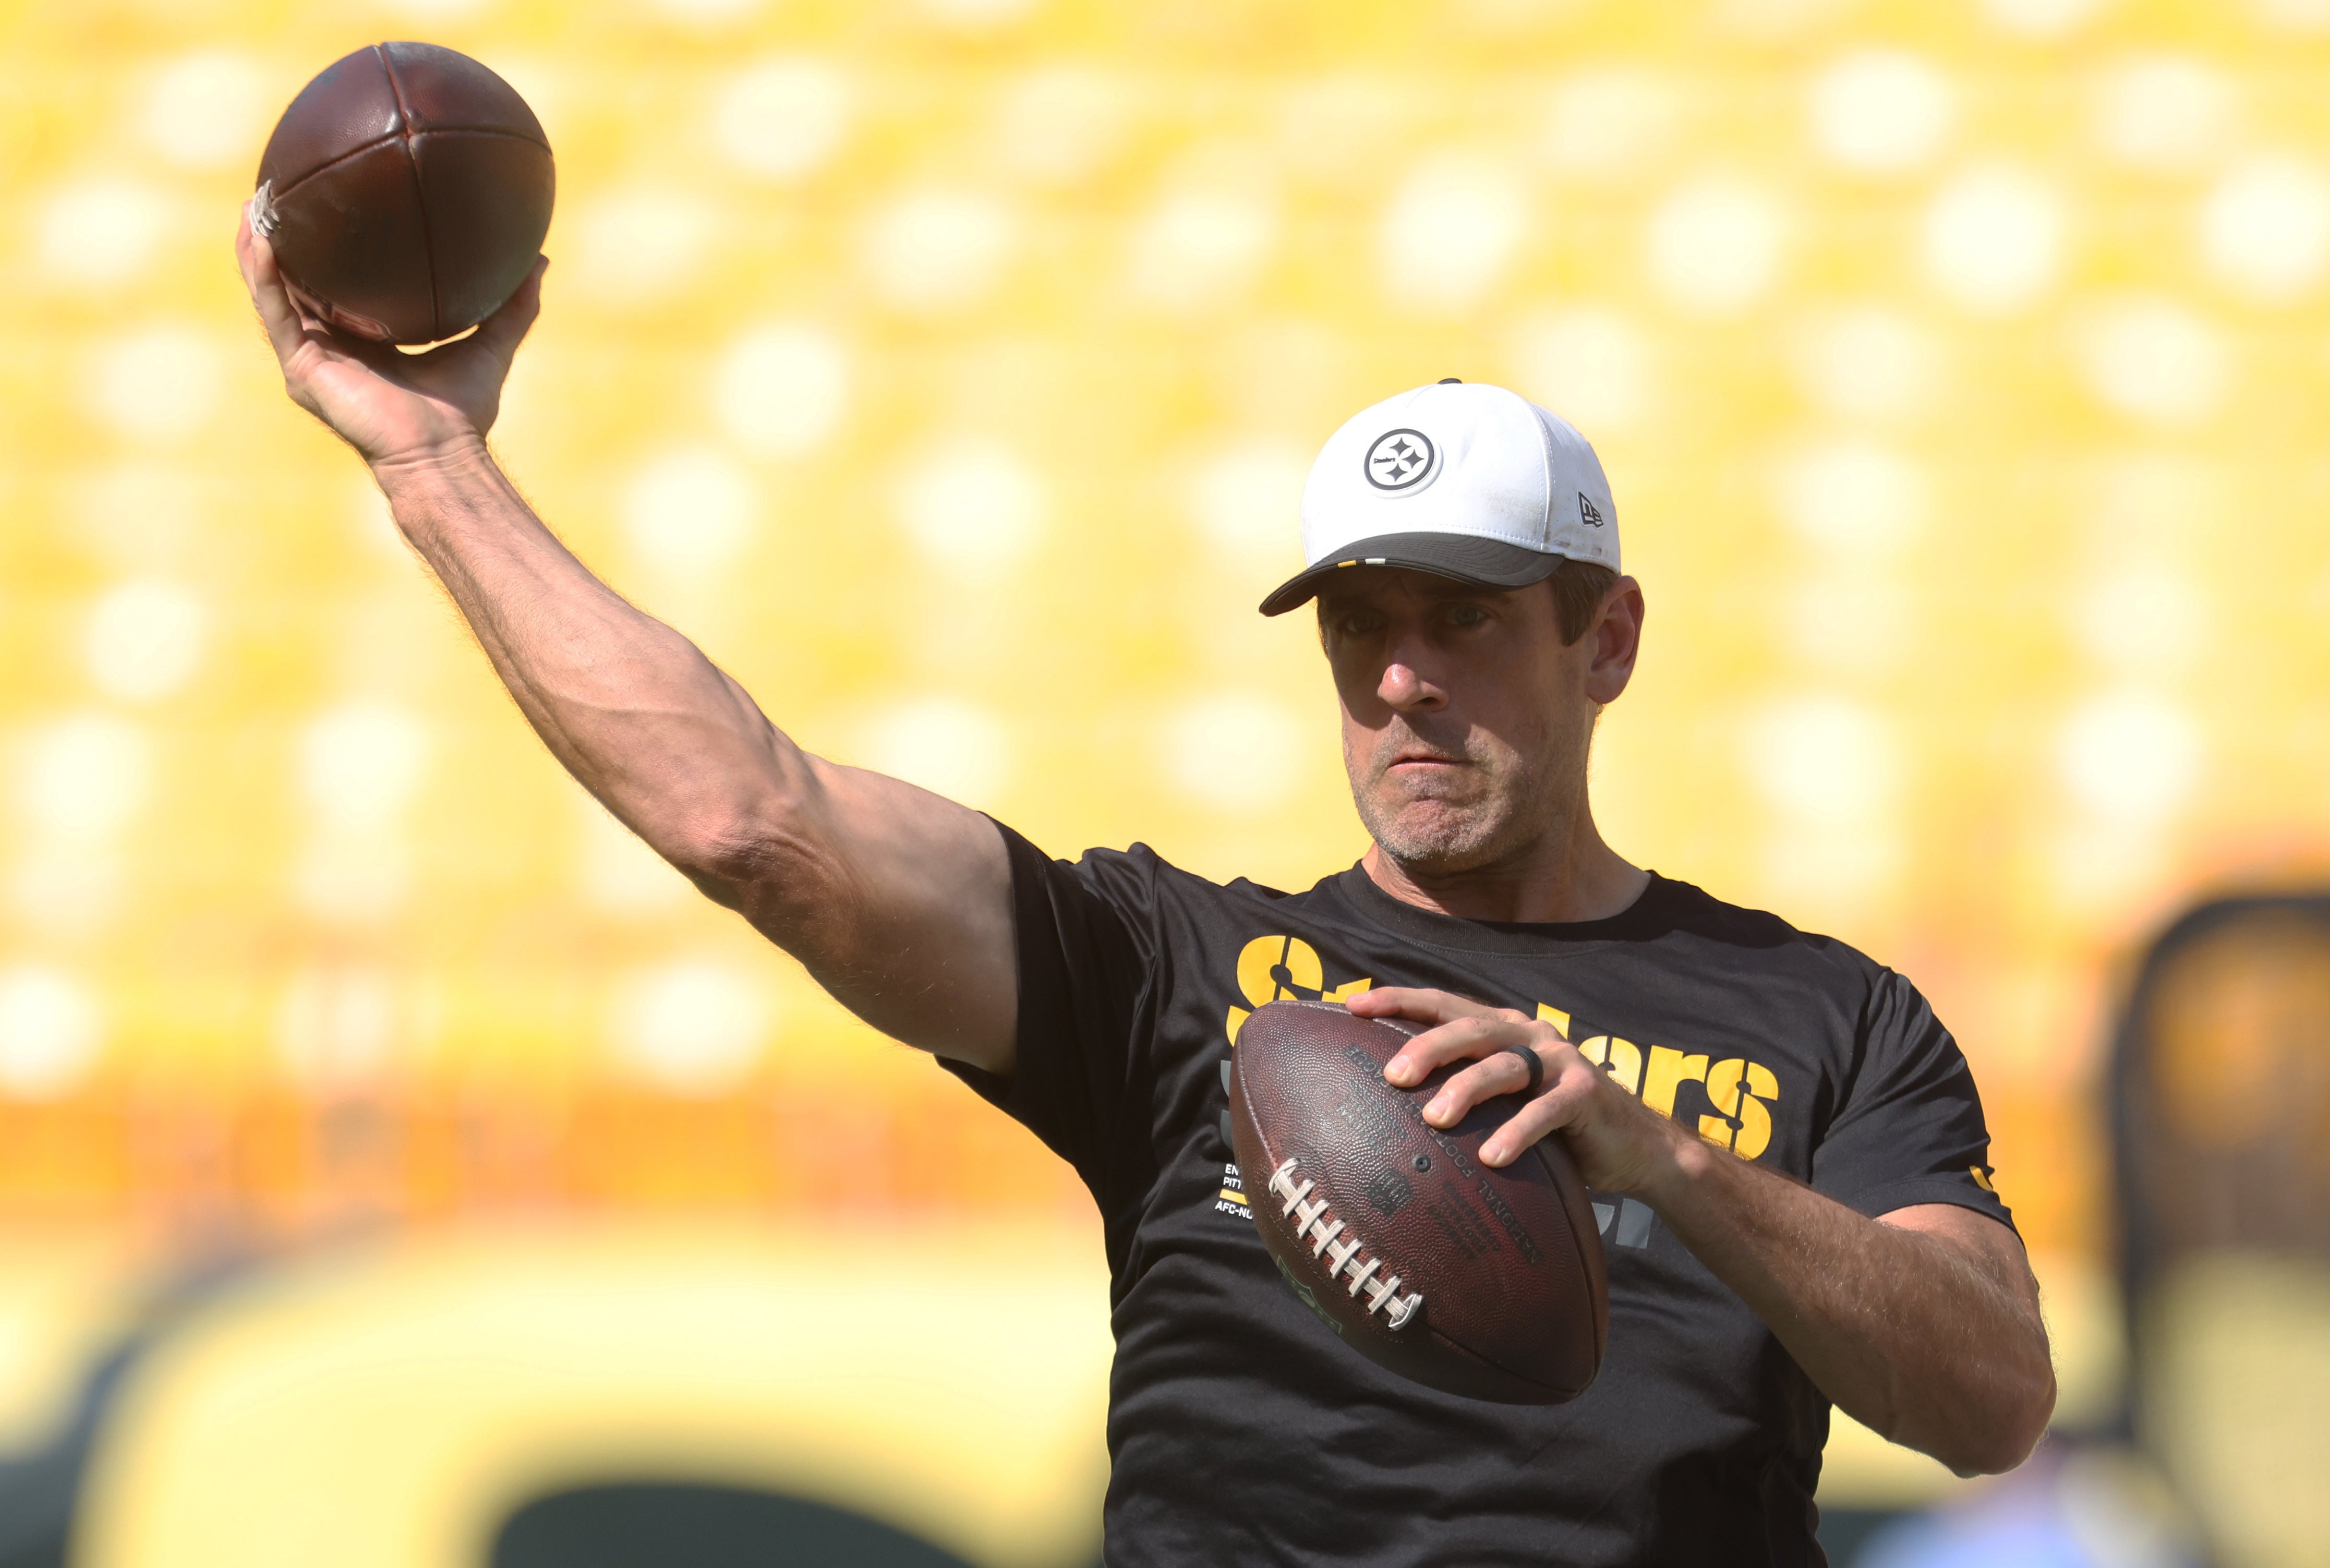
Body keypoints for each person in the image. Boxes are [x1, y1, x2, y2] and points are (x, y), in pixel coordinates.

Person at [235, 212, 2056, 1565]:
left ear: (1608, 640)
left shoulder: (1827, 1018)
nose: (1402, 679)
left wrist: (1656, 1157)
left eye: (1465, 621)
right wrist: (433, 464)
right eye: (1359, 628)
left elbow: (1986, 1402)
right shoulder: (1182, 973)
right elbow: (748, 821)